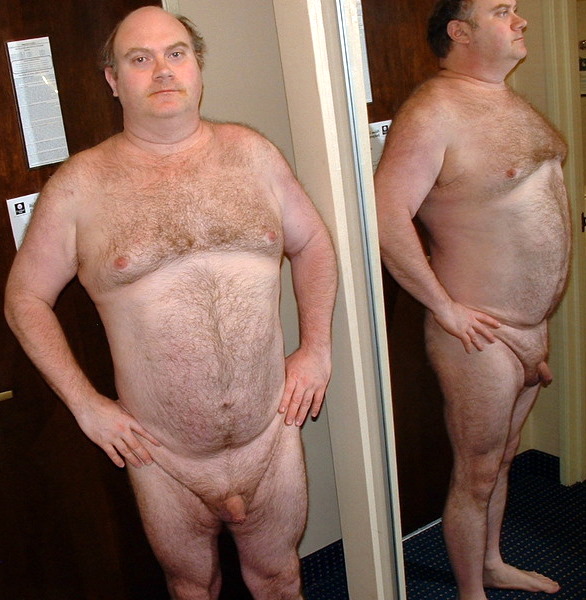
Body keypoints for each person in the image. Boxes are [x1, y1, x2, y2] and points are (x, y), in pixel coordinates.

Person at [4, 6, 337, 600]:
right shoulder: (80, 185)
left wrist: (316, 348)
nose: (162, 70)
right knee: (191, 586)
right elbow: (25, 297)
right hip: (163, 456)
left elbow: (312, 242)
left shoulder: (253, 154)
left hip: (270, 436)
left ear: (198, 66)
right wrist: (85, 405)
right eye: (140, 59)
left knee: (281, 578)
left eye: (176, 54)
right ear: (113, 80)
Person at [375, 1, 569, 599]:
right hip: (479, 333)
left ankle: (491, 562)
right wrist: (444, 306)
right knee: (477, 471)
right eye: (502, 11)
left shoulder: (507, 101)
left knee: (504, 457)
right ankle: (470, 591)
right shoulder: (435, 110)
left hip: (529, 327)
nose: (520, 20)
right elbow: (386, 215)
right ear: (460, 32)